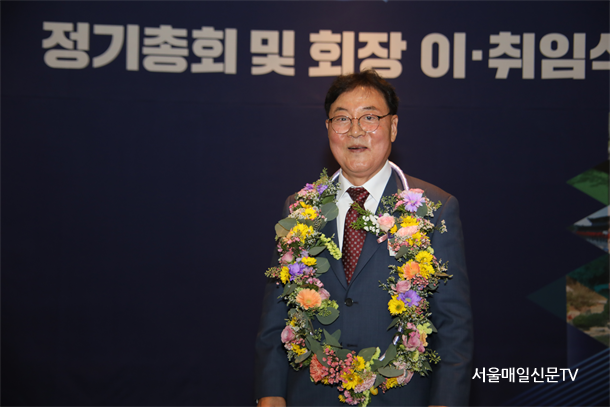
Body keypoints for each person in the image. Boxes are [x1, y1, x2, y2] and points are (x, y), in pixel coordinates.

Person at [255, 70, 473, 406]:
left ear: (393, 127)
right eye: (342, 119)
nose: (355, 131)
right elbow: (276, 317)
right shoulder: (299, 209)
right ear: (328, 128)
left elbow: (454, 326)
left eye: (369, 117)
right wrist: (270, 394)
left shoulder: (433, 209)